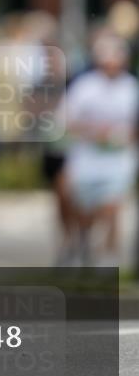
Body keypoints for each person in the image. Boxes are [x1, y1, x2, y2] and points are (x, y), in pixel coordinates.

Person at [63, 34, 138, 266]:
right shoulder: (85, 87)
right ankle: (83, 243)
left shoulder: (131, 88)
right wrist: (96, 132)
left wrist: (124, 136)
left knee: (112, 205)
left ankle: (109, 255)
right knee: (86, 210)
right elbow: (67, 121)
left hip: (119, 158)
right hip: (88, 158)